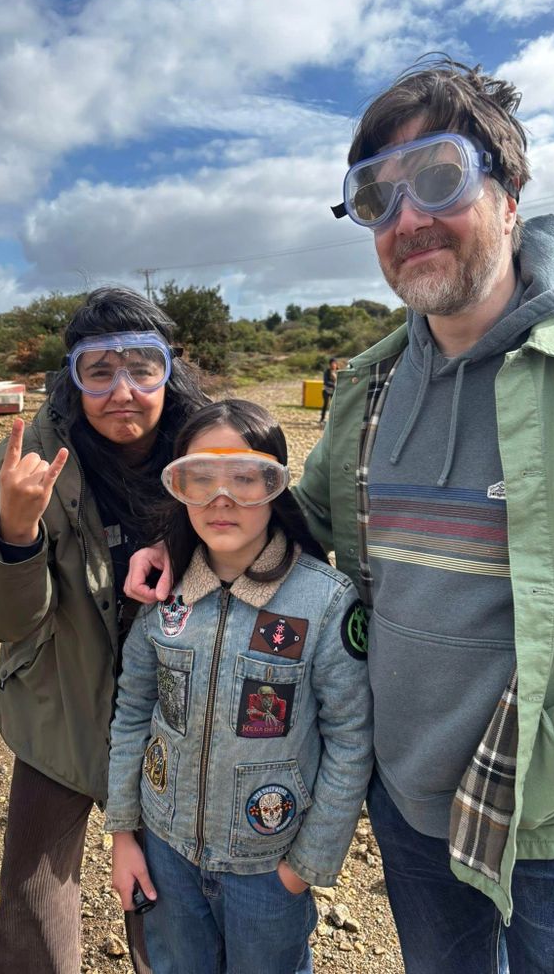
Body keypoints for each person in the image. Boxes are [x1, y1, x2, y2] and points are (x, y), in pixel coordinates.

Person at [126, 58, 554, 973]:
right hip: (410, 807)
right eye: (376, 199)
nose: (408, 220)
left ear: (510, 192)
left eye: (438, 178)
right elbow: (298, 522)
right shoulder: (369, 388)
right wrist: (171, 535)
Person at [0, 287, 208, 974]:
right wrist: (15, 529)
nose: (122, 391)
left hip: (174, 716)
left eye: (141, 368)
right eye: (99, 371)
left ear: (168, 369)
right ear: (73, 377)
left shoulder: (210, 449)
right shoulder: (30, 462)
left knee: (169, 899)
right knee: (34, 901)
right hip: (58, 705)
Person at [107, 399, 373, 974]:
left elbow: (351, 740)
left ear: (276, 485)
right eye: (199, 478)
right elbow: (132, 711)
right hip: (164, 852)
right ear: (178, 487)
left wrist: (304, 867)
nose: (220, 498)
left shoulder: (324, 602)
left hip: (268, 866)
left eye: (246, 478)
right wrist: (124, 836)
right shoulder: (164, 590)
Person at [319, 357, 338, 425]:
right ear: (330, 364)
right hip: (326, 390)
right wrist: (333, 385)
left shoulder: (338, 372)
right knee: (326, 404)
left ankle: (332, 420)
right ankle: (322, 419)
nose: (333, 365)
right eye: (332, 364)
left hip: (334, 391)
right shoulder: (327, 372)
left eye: (334, 363)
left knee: (334, 405)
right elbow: (326, 381)